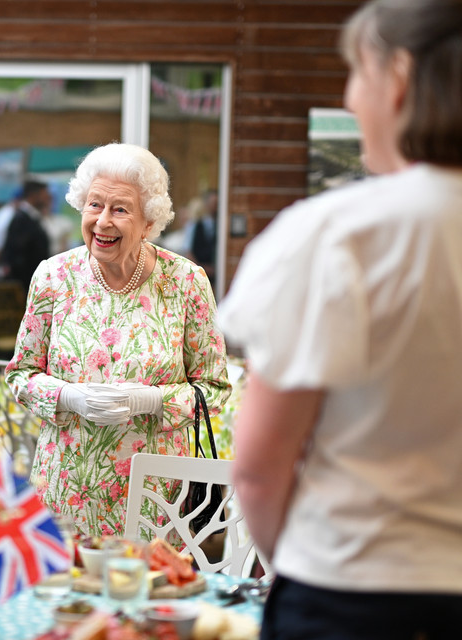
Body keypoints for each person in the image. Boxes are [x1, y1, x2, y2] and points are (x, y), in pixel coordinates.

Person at [219, 1, 462, 637]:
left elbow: (258, 466)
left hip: (351, 588)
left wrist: (296, 564)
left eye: (357, 73)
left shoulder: (338, 235)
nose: (352, 100)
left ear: (400, 79)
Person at [4, 142, 230, 538]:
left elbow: (213, 388)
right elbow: (21, 375)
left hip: (157, 501)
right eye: (94, 205)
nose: (102, 221)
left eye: (120, 209)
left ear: (149, 223)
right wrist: (69, 397)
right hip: (65, 493)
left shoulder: (187, 282)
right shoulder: (53, 277)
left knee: (149, 597)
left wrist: (151, 400)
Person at [0, 179, 53, 288]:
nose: (48, 197)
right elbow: (17, 256)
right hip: (26, 284)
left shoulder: (32, 218)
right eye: (45, 194)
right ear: (34, 195)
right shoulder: (21, 219)